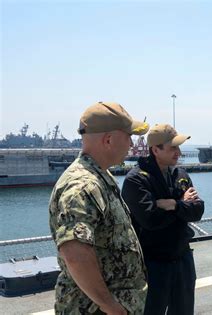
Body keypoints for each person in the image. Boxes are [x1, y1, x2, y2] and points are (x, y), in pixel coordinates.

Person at [49, 101, 149, 314]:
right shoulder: (82, 186)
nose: (131, 144)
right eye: (128, 136)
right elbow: (74, 252)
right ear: (109, 140)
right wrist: (111, 307)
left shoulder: (100, 177)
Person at [122, 123, 205, 315]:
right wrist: (182, 205)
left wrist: (173, 204)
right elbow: (150, 220)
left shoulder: (180, 175)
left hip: (182, 258)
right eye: (173, 147)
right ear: (155, 150)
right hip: (153, 263)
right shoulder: (136, 179)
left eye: (178, 147)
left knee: (183, 311)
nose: (178, 152)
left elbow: (198, 210)